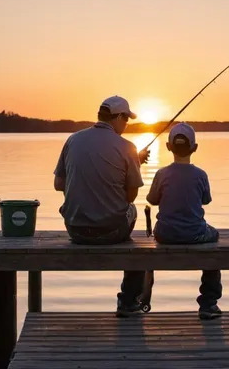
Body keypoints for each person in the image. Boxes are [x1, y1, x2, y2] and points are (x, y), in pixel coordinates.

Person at [53, 95, 149, 317]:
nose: (126, 125)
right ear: (118, 117)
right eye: (126, 120)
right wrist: (131, 165)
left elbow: (59, 184)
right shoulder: (127, 147)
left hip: (75, 230)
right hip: (111, 232)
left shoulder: (73, 140)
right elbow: (130, 196)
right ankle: (128, 300)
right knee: (133, 214)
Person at [146, 122, 222, 320]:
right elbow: (206, 200)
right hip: (195, 234)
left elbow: (152, 200)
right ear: (194, 148)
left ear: (168, 147)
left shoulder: (161, 174)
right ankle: (208, 303)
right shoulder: (200, 175)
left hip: (164, 234)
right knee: (215, 238)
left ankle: (136, 298)